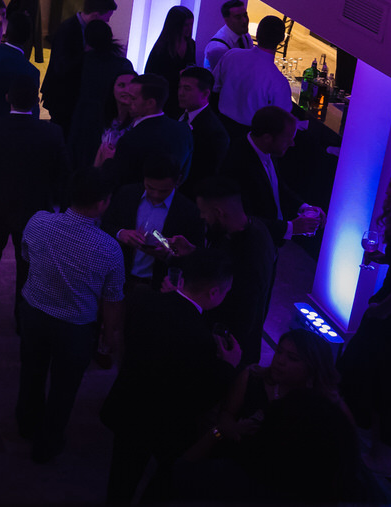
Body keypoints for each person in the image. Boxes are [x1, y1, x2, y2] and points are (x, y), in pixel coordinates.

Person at [102, 247, 240, 503]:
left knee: (120, 480)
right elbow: (200, 397)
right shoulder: (201, 338)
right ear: (214, 292)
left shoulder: (143, 300)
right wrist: (229, 366)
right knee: (167, 480)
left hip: (130, 406)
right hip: (165, 425)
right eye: (226, 291)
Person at [179, 330, 376, 504]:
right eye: (279, 352)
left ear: (313, 367)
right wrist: (229, 430)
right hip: (238, 462)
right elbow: (226, 416)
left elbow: (348, 458)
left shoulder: (330, 406)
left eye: (292, 358)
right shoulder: (252, 378)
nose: (279, 360)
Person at [16, 167, 125, 464]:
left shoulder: (39, 222)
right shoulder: (109, 248)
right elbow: (112, 299)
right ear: (103, 203)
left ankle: (25, 425)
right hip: (75, 327)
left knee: (32, 372)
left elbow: (26, 256)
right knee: (64, 387)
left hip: (34, 312)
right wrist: (108, 335)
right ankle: (48, 443)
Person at [0, 77, 70, 334]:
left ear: (8, 98)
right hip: (34, 211)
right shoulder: (52, 132)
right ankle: (22, 318)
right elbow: (61, 174)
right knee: (28, 266)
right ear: (36, 102)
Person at [338, 168, 391, 477]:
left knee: (370, 377)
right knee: (382, 382)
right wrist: (383, 259)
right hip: (389, 314)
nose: (389, 194)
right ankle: (377, 452)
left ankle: (377, 456)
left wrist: (381, 311)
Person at [180, 175, 278, 367]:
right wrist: (193, 251)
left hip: (229, 349)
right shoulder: (249, 227)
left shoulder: (251, 252)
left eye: (203, 212)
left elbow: (245, 310)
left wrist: (226, 350)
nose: (201, 217)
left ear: (218, 212)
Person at [223, 105, 320, 245]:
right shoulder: (237, 162)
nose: (292, 144)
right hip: (249, 245)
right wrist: (291, 228)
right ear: (267, 138)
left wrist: (304, 207)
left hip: (268, 242)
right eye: (287, 139)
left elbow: (277, 187)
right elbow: (242, 218)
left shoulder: (267, 150)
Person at [103, 153, 203, 287]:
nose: (155, 195)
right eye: (150, 188)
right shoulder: (126, 194)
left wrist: (168, 256)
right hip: (117, 279)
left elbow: (196, 259)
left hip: (157, 286)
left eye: (163, 191)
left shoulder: (189, 211)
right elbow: (104, 225)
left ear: (178, 181)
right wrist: (121, 233)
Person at [42, 0, 118, 136]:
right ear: (96, 15)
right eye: (107, 17)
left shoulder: (78, 27)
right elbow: (61, 68)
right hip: (62, 98)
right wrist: (86, 53)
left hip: (72, 97)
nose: (108, 22)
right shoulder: (67, 31)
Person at [66, 20, 134, 170]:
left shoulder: (82, 62)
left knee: (80, 158)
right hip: (111, 117)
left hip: (83, 114)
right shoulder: (122, 64)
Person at [105, 74, 194, 187]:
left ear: (150, 103)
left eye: (133, 98)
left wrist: (108, 160)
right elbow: (183, 175)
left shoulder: (131, 139)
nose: (128, 102)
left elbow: (119, 182)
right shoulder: (184, 130)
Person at [213, 15, 293, 131]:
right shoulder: (278, 81)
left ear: (257, 33)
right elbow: (281, 119)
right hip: (250, 135)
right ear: (281, 40)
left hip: (219, 125)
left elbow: (215, 86)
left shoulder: (232, 55)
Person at [177, 66, 232, 198]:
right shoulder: (178, 114)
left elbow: (206, 174)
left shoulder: (215, 133)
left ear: (205, 94)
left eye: (187, 88)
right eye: (180, 87)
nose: (180, 93)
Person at [143, 5, 196, 114]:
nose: (189, 28)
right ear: (175, 25)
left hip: (182, 96)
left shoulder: (191, 44)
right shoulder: (161, 48)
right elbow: (150, 74)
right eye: (186, 25)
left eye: (191, 24)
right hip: (165, 97)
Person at [203, 0, 253, 71]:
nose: (244, 21)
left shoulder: (245, 36)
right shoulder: (218, 47)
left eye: (245, 15)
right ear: (226, 20)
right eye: (238, 17)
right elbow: (224, 78)